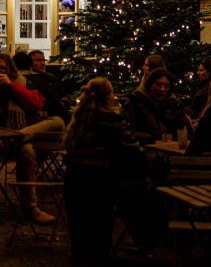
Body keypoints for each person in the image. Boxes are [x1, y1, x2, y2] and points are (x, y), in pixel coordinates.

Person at [64, 77, 166, 264]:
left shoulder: (78, 121)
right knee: (153, 197)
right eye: (112, 92)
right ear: (107, 96)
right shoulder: (112, 121)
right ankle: (144, 241)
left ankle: (83, 253)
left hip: (75, 183)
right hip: (104, 185)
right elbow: (133, 156)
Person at [0, 53, 65, 224]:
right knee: (26, 151)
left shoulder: (21, 82)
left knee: (57, 121)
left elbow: (37, 103)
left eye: (3, 68)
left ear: (10, 70)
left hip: (18, 134)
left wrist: (11, 85)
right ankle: (30, 208)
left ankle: (18, 137)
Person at [123, 67, 188, 143]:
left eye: (166, 86)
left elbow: (185, 131)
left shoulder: (172, 105)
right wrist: (149, 139)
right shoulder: (136, 102)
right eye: (158, 84)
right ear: (150, 85)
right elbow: (127, 131)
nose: (162, 89)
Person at [26, 50, 71, 124]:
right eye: (38, 60)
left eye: (43, 60)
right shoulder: (28, 79)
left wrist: (64, 102)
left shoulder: (51, 77)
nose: (42, 63)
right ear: (29, 63)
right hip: (43, 116)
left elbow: (63, 94)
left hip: (60, 112)